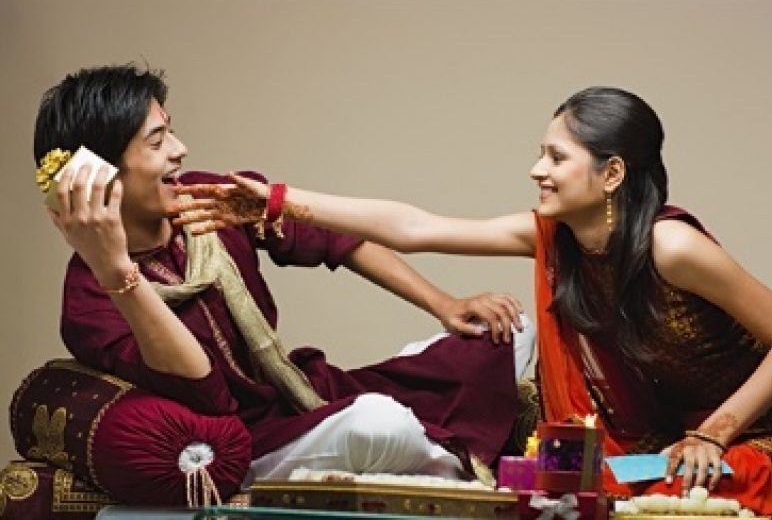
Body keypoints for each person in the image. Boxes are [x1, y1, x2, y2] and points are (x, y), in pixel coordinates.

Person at [174, 86, 772, 515]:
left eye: (556, 157)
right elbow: (414, 228)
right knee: (552, 483)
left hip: (754, 432)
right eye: (541, 153)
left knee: (679, 497)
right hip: (660, 439)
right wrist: (277, 201)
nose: (536, 170)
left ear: (612, 174)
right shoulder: (554, 237)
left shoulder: (671, 247)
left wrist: (714, 435)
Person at [34, 64, 537, 494]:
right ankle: (440, 464)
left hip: (302, 393)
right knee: (379, 424)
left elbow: (338, 241)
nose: (180, 151)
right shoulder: (89, 299)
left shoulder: (206, 199)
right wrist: (117, 269)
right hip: (253, 442)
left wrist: (445, 305)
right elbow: (203, 388)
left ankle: (409, 448)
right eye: (157, 141)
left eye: (172, 131)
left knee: (510, 331)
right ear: (99, 174)